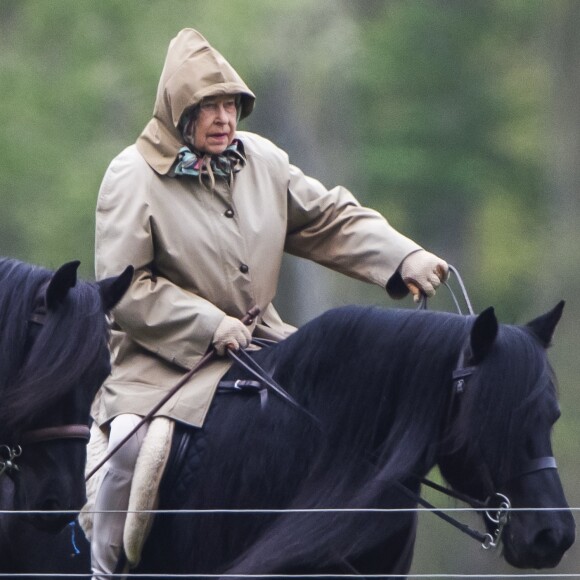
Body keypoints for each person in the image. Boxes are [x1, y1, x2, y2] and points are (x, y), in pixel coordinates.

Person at [90, 27, 448, 579]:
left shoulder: (263, 160)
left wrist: (403, 257)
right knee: (132, 456)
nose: (224, 119)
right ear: (179, 111)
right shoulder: (131, 177)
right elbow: (125, 289)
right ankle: (104, 570)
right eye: (208, 107)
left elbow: (330, 219)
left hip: (264, 349)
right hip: (159, 365)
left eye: (230, 104)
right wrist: (209, 325)